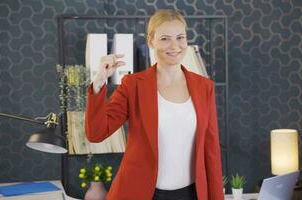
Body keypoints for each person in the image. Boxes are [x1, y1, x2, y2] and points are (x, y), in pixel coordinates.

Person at [85, 9, 224, 200]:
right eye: (165, 38)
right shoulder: (133, 84)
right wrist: (99, 82)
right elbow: (96, 133)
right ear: (151, 41)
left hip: (191, 194)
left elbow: (211, 151)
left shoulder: (204, 87)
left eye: (180, 37)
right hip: (143, 193)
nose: (175, 46)